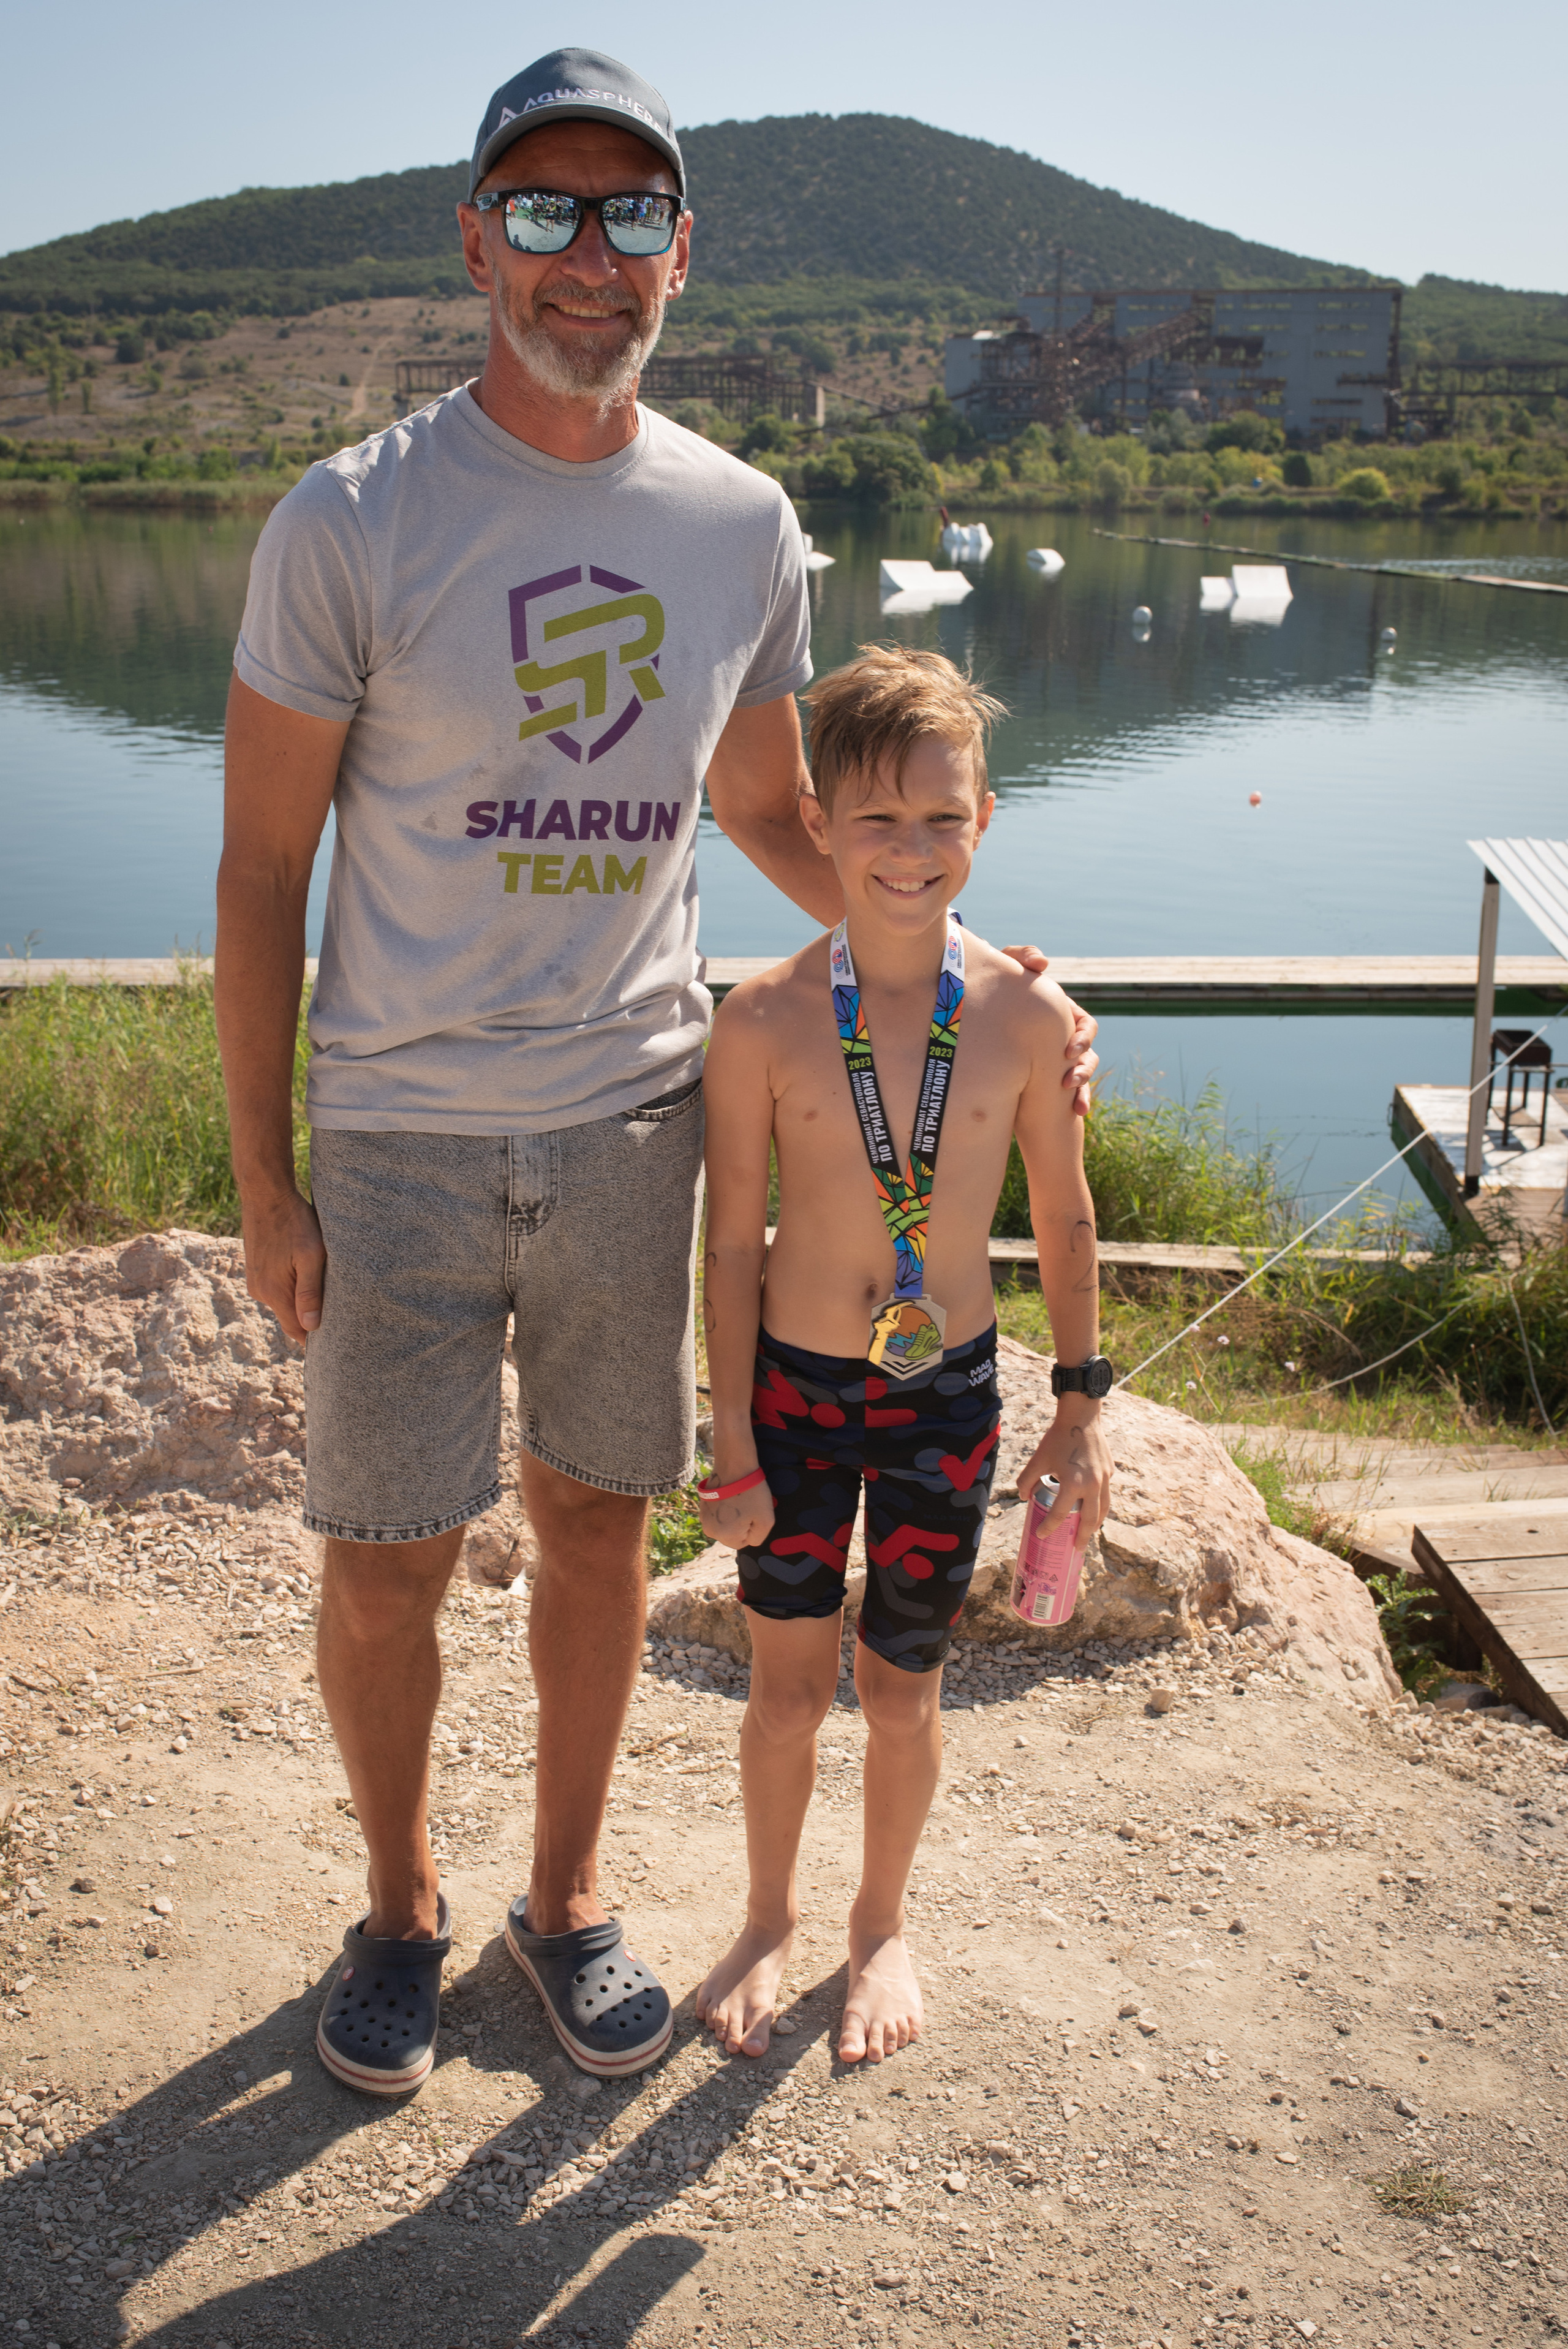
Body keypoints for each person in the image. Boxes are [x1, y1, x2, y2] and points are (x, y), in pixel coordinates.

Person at [216, 48, 1098, 2095]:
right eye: (543, 211)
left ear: (679, 254)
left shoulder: (737, 521)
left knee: (603, 1534)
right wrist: (266, 1176)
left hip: (634, 1120)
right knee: (385, 1554)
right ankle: (399, 1907)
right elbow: (266, 865)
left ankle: (568, 1898)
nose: (586, 255)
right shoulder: (350, 515)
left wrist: (957, 960)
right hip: (405, 1126)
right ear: (476, 241)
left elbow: (783, 820)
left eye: (628, 217)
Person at [694, 645, 1114, 2065]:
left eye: (942, 820)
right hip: (795, 1401)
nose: (911, 852)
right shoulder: (754, 1021)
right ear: (814, 824)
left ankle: (879, 1925)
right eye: (877, 821)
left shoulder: (1024, 1019)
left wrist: (1078, 1405)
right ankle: (766, 1918)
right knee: (786, 1687)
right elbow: (724, 1248)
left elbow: (1061, 1215)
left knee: (904, 1683)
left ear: (983, 820)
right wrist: (733, 1444)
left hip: (946, 1399)